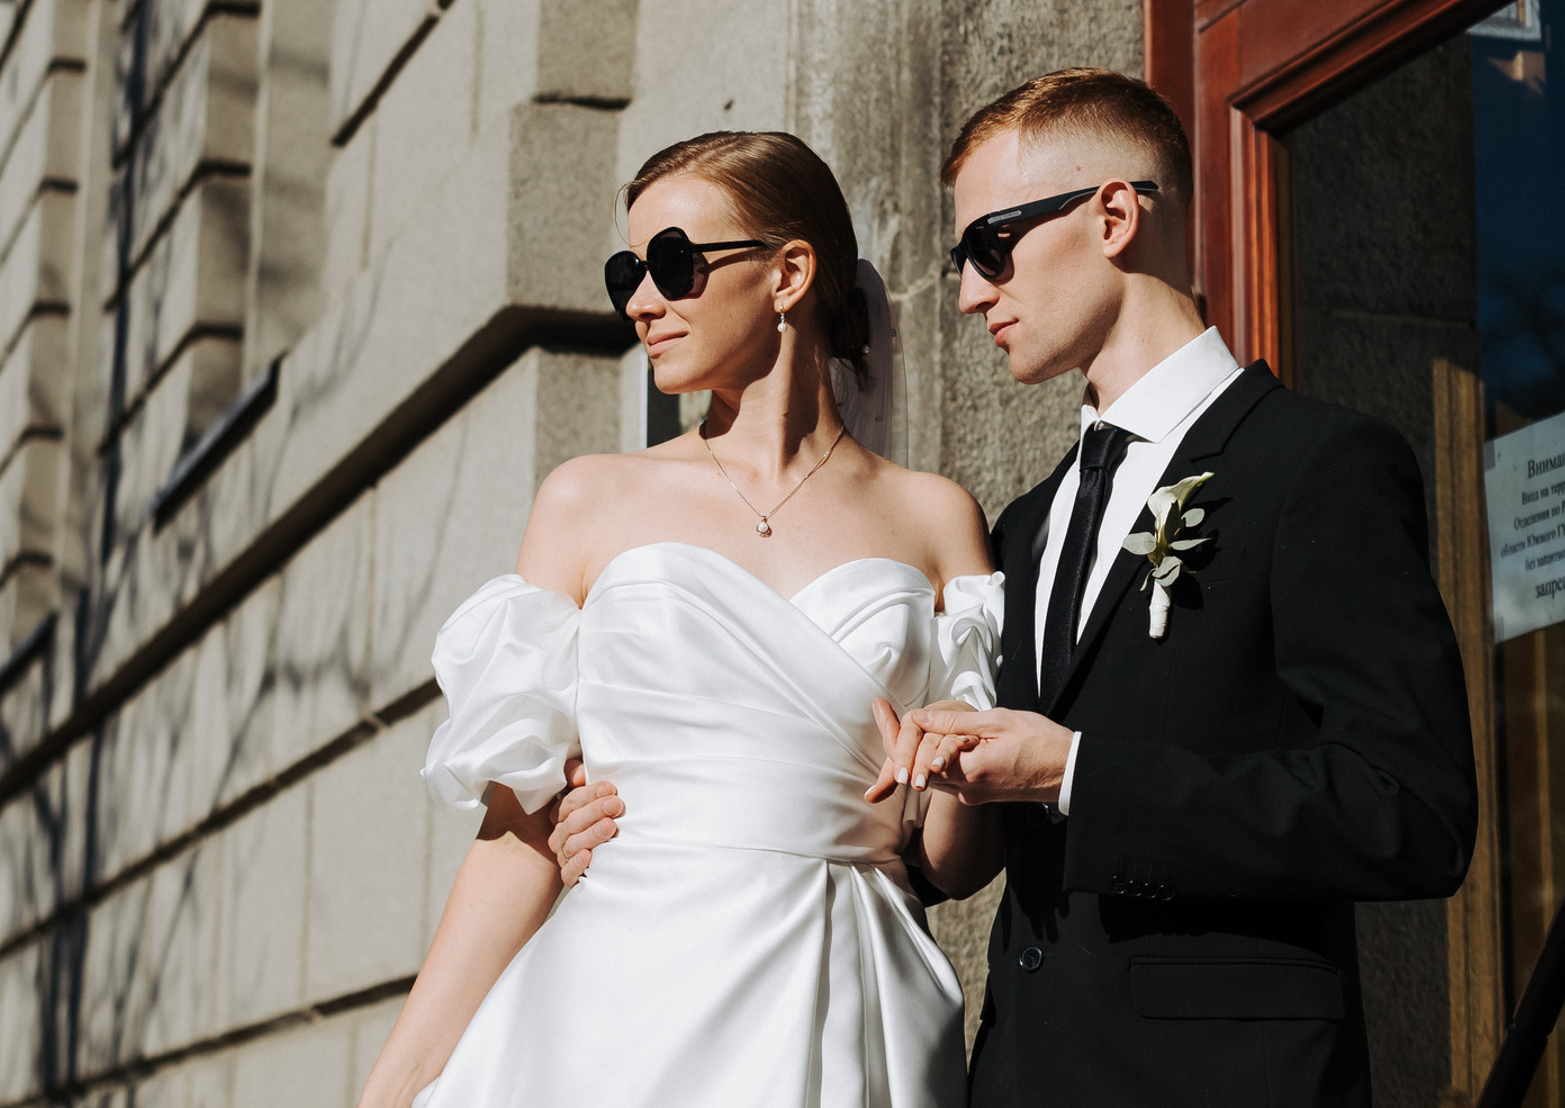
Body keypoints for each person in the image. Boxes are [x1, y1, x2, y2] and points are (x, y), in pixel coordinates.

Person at [555, 68, 1478, 1108]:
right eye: (963, 259)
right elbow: (957, 839)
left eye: (991, 246)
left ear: (1115, 215)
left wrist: (1080, 772)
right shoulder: (1025, 528)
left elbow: (1412, 811)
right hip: (1013, 1075)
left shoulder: (1319, 466)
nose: (968, 292)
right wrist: (673, 829)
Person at [356, 132, 1006, 1108]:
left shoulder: (933, 517)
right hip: (621, 1006)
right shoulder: (588, 501)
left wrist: (944, 781)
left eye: (672, 265)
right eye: (630, 271)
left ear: (789, 273)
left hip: (853, 993)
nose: (640, 301)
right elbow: (516, 837)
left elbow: (960, 860)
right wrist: (396, 1082)